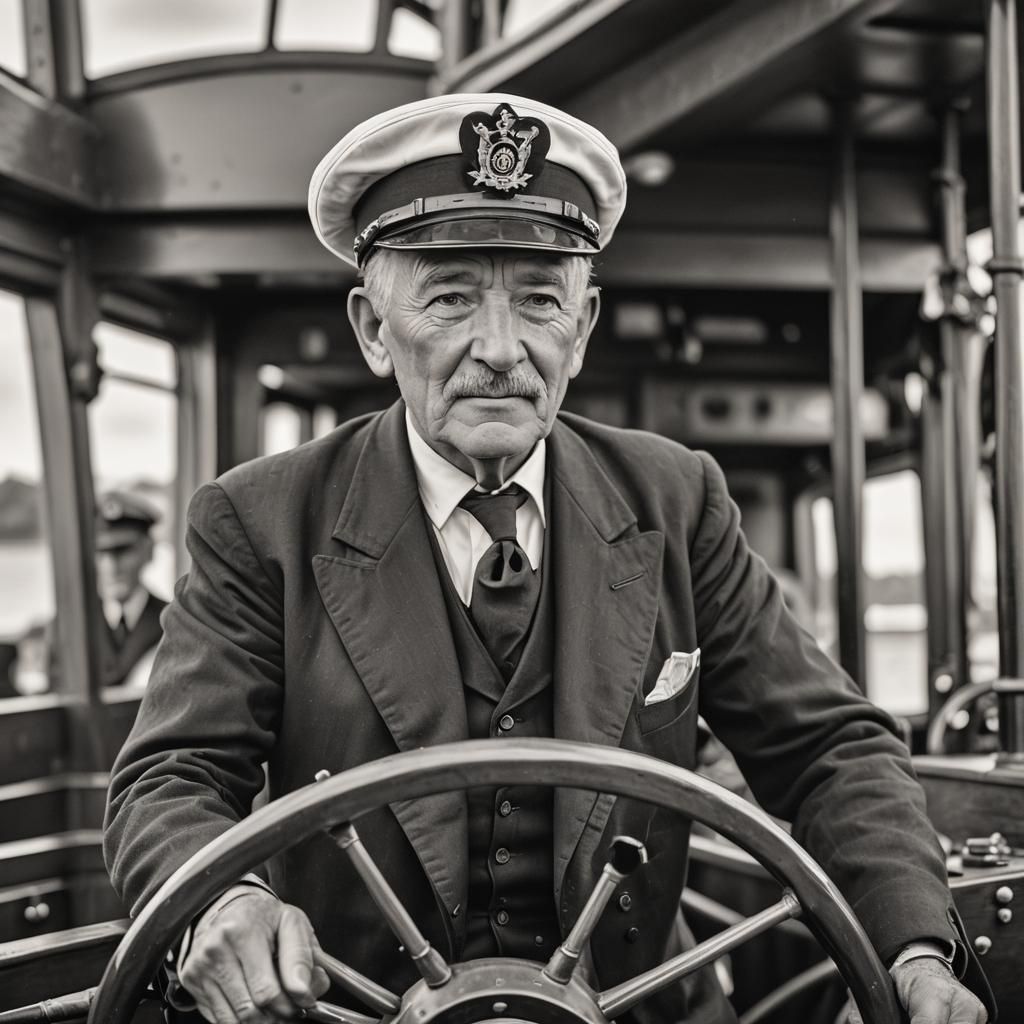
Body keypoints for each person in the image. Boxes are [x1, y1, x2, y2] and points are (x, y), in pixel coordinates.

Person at [104, 94, 991, 1024]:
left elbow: (828, 751)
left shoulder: (677, 500)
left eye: (538, 299)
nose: (500, 349)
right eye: (450, 297)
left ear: (584, 324)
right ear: (372, 329)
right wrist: (221, 899)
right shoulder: (258, 522)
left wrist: (915, 950)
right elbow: (169, 779)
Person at [94, 490, 166, 687]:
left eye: (123, 551)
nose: (111, 566)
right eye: (101, 553)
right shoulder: (70, 624)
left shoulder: (174, 622)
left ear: (148, 551)